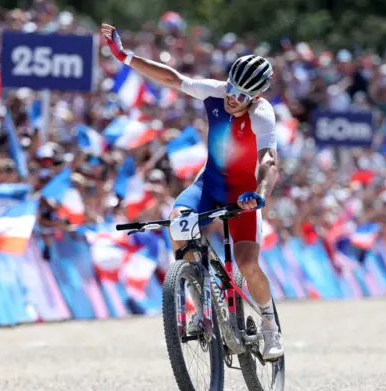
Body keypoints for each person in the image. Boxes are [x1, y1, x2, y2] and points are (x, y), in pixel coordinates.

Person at [101, 24, 283, 359]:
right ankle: (201, 304)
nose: (232, 98)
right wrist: (124, 56)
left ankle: (270, 325)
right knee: (178, 221)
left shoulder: (262, 114)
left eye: (242, 95)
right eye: (232, 88)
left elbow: (269, 161)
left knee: (247, 262)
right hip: (209, 183)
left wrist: (260, 193)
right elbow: (171, 78)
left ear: (255, 97)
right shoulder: (215, 91)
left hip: (244, 194)